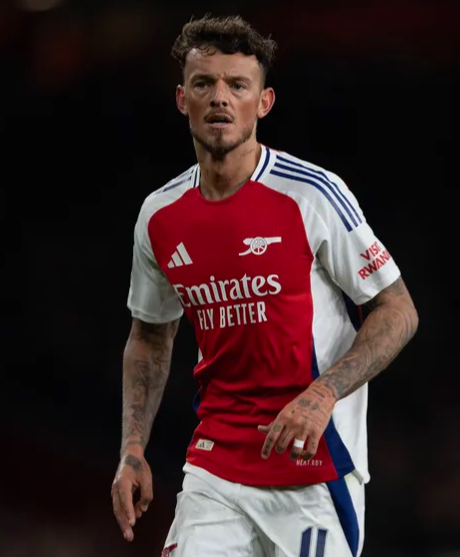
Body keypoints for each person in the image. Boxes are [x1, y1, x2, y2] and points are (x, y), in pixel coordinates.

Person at [111, 14, 419, 557]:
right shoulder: (159, 215)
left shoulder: (311, 194)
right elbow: (151, 335)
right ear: (182, 100)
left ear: (264, 102)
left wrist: (323, 394)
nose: (220, 98)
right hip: (216, 466)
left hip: (313, 465)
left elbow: (397, 310)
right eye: (204, 84)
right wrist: (132, 449)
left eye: (238, 84)